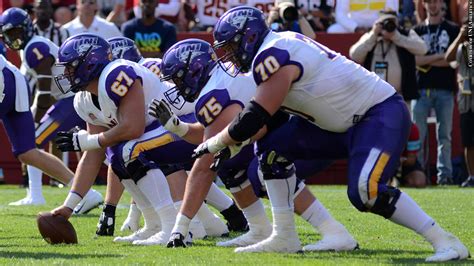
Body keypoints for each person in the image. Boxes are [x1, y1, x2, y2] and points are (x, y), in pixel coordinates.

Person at [190, 6, 468, 261]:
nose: (228, 54)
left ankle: (445, 240)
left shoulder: (273, 53)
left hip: (377, 113)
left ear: (247, 37)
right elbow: (267, 123)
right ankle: (285, 236)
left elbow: (254, 116)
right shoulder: (276, 45)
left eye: (230, 46)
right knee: (271, 151)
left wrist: (215, 142)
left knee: (365, 192)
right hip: (337, 123)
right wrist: (234, 143)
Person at [153, 38, 357, 251]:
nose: (176, 86)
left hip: (309, 132)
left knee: (264, 168)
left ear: (193, 71)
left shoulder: (214, 94)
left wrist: (181, 226)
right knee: (230, 163)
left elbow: (204, 164)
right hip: (300, 126)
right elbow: (217, 134)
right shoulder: (221, 80)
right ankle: (260, 229)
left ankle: (332, 231)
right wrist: (179, 128)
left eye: (177, 78)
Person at [50, 33, 240, 246]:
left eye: (71, 66)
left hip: (184, 120)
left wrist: (88, 141)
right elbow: (93, 154)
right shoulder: (83, 100)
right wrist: (69, 206)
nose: (66, 73)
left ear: (89, 63)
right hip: (158, 129)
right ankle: (155, 224)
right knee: (117, 157)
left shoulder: (116, 74)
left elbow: (132, 128)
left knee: (129, 151)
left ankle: (171, 226)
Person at [1, 7, 103, 211]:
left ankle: (50, 194)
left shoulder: (34, 48)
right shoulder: (29, 48)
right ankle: (48, 194)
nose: (14, 38)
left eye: (16, 32)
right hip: (67, 99)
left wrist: (36, 117)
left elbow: (45, 92)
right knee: (31, 148)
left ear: (27, 28)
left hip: (69, 99)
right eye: (9, 34)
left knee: (36, 141)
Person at [412, 0, 460, 185]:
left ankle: (445, 177)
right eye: (429, 2)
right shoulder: (417, 31)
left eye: (436, 1)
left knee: (445, 136)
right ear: (423, 5)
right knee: (418, 137)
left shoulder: (453, 29)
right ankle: (418, 175)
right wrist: (441, 56)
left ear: (442, 4)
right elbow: (414, 60)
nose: (432, 5)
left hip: (445, 89)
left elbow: (453, 60)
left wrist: (427, 60)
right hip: (421, 89)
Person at [350, 10, 427, 101]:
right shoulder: (372, 36)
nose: (388, 26)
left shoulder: (405, 34)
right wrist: (373, 34)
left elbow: (423, 49)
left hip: (401, 97)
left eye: (392, 23)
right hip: (375, 97)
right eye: (385, 23)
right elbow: (354, 55)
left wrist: (397, 37)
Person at [445, 23, 474, 187]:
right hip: (466, 101)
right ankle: (472, 176)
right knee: (468, 142)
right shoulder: (463, 47)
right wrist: (460, 36)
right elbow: (448, 57)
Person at [327, 0, 398, 33]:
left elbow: (392, 13)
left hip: (380, 25)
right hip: (355, 25)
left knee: (394, 30)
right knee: (333, 30)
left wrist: (378, 26)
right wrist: (355, 28)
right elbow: (340, 14)